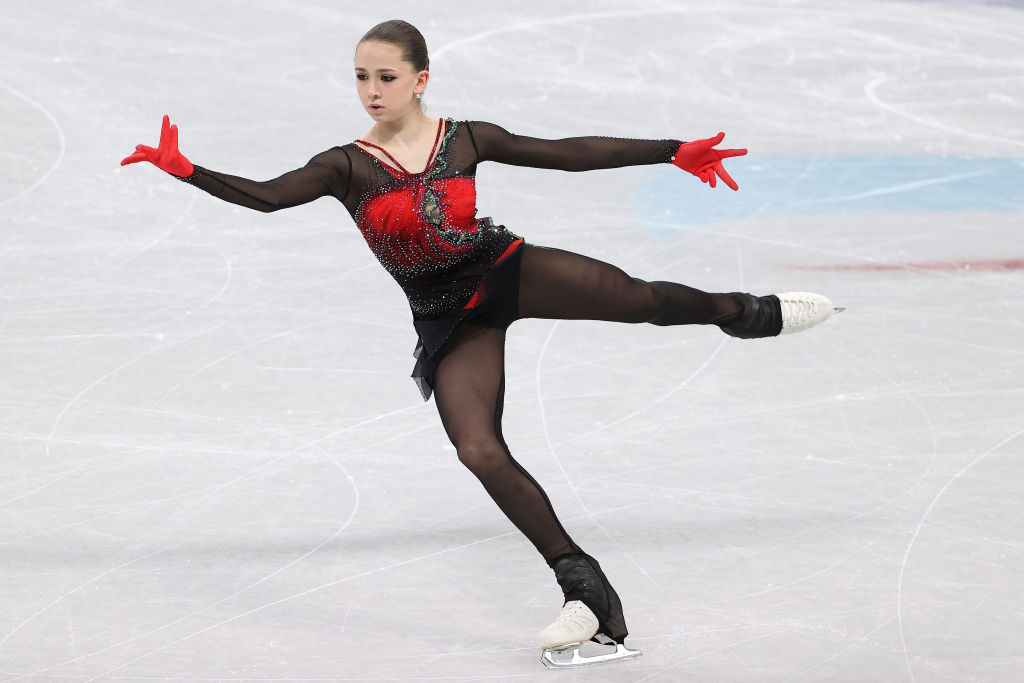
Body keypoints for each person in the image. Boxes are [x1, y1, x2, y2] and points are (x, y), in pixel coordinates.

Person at [121, 19, 839, 668]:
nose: (371, 90)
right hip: (448, 320)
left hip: (506, 271)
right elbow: (268, 195)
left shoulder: (465, 138)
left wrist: (672, 150)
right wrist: (189, 170)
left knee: (641, 298)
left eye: (386, 76)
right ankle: (585, 589)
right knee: (477, 448)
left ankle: (747, 311)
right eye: (361, 77)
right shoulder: (346, 165)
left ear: (421, 80)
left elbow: (567, 154)